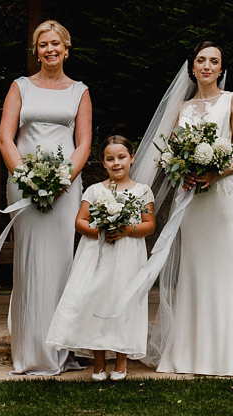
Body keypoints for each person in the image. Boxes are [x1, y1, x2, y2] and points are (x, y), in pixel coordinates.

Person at [144, 41, 233, 376]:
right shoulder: (181, 108)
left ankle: (226, 349)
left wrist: (215, 171)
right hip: (191, 197)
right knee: (195, 269)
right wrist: (182, 172)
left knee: (225, 268)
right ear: (192, 68)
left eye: (214, 61)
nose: (207, 66)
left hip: (223, 195)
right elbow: (170, 153)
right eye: (200, 61)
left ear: (221, 69)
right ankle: (191, 349)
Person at [0, 19, 92, 375]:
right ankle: (30, 351)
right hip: (23, 184)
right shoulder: (20, 87)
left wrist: (63, 179)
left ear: (67, 49)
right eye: (43, 45)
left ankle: (60, 348)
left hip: (65, 188)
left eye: (56, 44)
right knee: (30, 263)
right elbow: (6, 138)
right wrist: (24, 176)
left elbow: (83, 143)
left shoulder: (79, 91)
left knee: (60, 263)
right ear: (36, 51)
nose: (49, 50)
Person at [46, 135, 156, 381]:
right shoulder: (95, 190)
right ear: (103, 163)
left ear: (132, 158)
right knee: (95, 301)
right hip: (97, 253)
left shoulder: (142, 191)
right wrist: (101, 231)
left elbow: (149, 225)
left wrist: (127, 229)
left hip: (128, 256)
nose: (116, 163)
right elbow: (80, 221)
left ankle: (121, 361)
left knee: (123, 302)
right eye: (110, 159)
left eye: (121, 157)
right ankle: (98, 363)